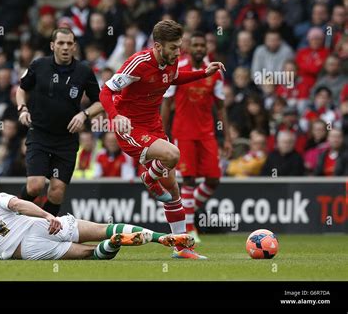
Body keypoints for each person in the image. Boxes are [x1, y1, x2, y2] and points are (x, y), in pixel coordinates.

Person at [99, 19, 224, 259]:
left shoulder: (171, 61)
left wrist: (202, 73)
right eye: (174, 47)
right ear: (158, 46)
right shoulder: (138, 63)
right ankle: (148, 176)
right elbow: (106, 91)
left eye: (179, 47)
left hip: (153, 126)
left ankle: (181, 246)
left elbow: (172, 79)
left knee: (172, 189)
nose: (179, 52)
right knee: (172, 154)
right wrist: (115, 117)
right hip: (130, 127)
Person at [0, 175, 197, 261]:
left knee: (88, 256)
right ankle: (163, 239)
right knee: (103, 227)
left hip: (26, 251)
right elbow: (19, 204)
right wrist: (47, 214)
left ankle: (113, 246)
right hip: (39, 224)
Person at [16, 28, 103, 216]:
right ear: (52, 45)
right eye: (61, 43)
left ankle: (46, 232)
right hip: (39, 134)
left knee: (56, 192)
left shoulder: (83, 71)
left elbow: (101, 101)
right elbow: (21, 89)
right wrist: (22, 109)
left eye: (69, 43)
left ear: (74, 46)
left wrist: (84, 114)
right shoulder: (38, 65)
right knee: (35, 186)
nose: (65, 47)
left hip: (66, 140)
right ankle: (13, 218)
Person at [161, 31, 231, 243]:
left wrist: (227, 137)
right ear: (189, 48)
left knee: (213, 179)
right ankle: (190, 229)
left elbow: (221, 107)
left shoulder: (216, 72)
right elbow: (166, 103)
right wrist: (162, 134)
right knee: (189, 179)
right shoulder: (178, 70)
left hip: (207, 133)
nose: (200, 48)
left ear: (207, 48)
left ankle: (187, 210)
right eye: (196, 45)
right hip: (183, 133)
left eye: (203, 45)